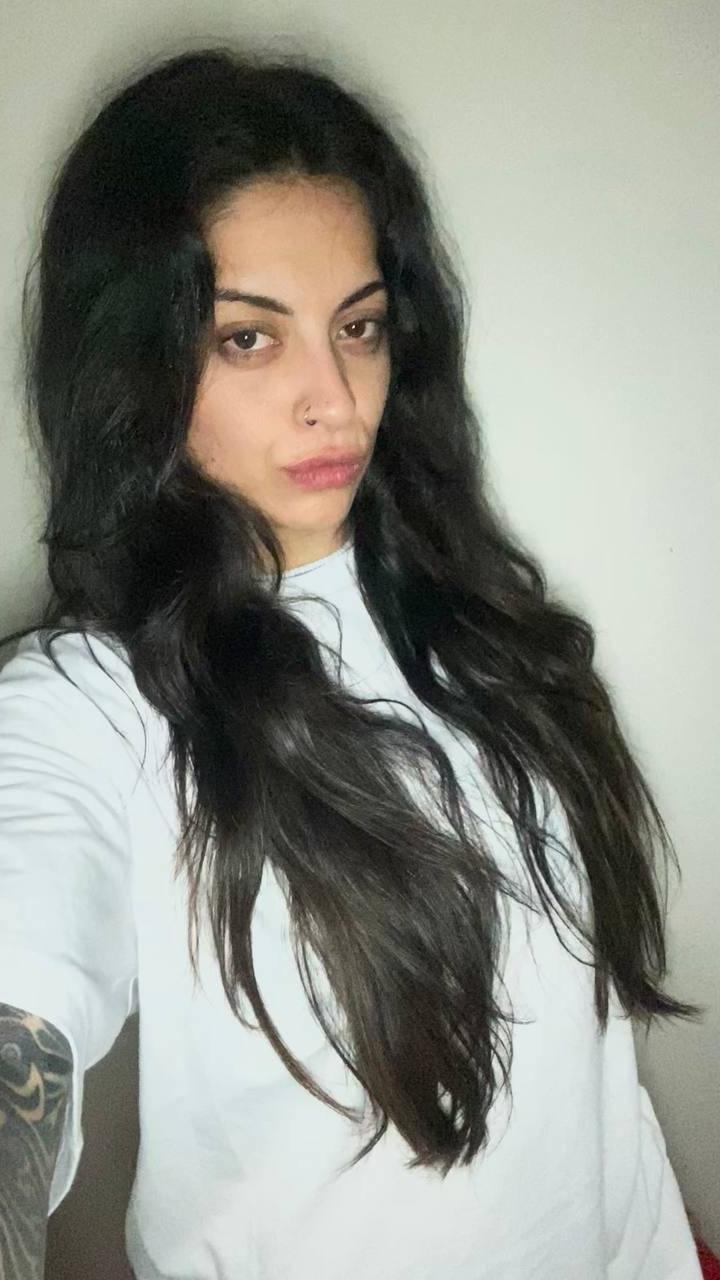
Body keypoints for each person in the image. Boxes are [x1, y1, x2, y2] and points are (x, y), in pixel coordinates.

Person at [0, 45, 704, 1280]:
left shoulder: (486, 624)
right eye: (248, 340)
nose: (335, 396)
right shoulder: (94, 705)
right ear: (135, 364)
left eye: (360, 327)